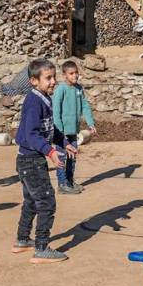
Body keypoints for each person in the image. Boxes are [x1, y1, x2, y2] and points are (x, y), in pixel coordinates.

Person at [13, 58, 76, 264]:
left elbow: (50, 129)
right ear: (33, 81)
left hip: (30, 160)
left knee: (31, 201)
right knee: (47, 201)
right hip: (30, 161)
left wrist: (64, 142)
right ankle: (41, 248)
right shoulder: (33, 102)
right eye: (48, 78)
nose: (53, 82)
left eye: (54, 77)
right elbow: (31, 135)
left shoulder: (44, 99)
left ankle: (22, 240)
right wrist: (50, 152)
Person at [52, 60, 97, 194]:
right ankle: (62, 184)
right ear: (64, 75)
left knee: (72, 157)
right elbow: (56, 111)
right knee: (61, 158)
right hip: (62, 133)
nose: (75, 76)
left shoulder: (78, 89)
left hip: (74, 132)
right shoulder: (61, 89)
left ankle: (70, 182)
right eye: (71, 73)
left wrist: (90, 123)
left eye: (76, 73)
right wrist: (60, 132)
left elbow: (85, 106)